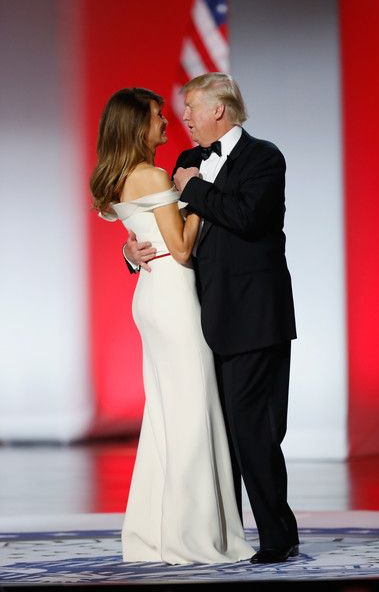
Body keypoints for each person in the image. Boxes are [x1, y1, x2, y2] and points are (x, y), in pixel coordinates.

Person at [124, 73, 299, 564]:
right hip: (204, 318)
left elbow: (248, 216)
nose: (184, 119)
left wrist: (196, 190)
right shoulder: (186, 163)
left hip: (255, 314)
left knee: (254, 428)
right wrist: (129, 251)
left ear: (218, 110)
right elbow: (165, 231)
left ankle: (276, 538)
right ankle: (228, 534)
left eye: (192, 108)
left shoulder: (264, 158)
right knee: (222, 433)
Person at [90, 87, 254, 565]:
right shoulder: (154, 173)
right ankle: (193, 538)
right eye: (159, 117)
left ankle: (154, 535)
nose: (168, 123)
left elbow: (131, 228)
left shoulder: (122, 175)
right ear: (139, 126)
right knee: (191, 417)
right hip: (175, 299)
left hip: (152, 296)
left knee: (166, 417)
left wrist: (129, 249)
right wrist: (198, 191)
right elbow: (182, 247)